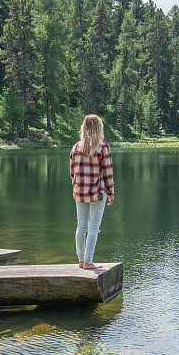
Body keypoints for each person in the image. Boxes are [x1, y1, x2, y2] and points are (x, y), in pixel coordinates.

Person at [69, 114, 114, 269]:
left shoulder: (76, 147)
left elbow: (72, 171)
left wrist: (76, 186)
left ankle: (81, 261)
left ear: (84, 128)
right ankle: (88, 261)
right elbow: (108, 173)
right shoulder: (103, 147)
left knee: (81, 226)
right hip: (97, 192)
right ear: (99, 129)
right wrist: (111, 191)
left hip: (80, 191)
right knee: (93, 227)